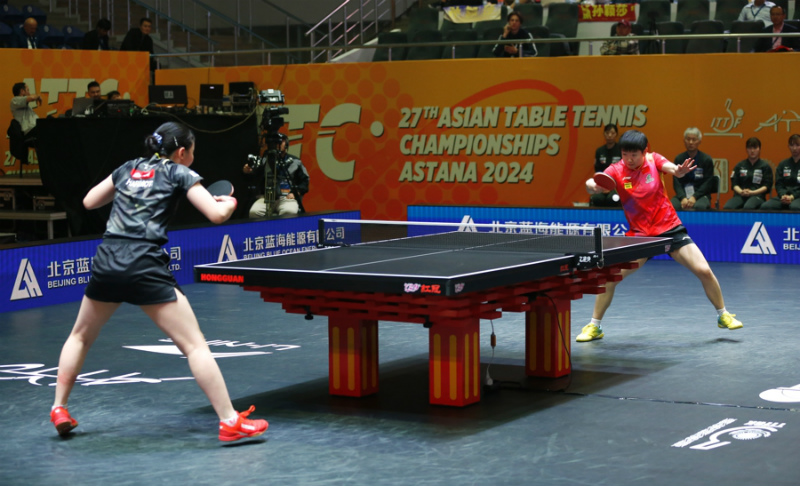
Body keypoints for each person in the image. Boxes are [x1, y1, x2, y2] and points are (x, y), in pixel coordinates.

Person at [49, 122, 269, 443]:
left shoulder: (128, 167)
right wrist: (230, 203)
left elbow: (89, 202)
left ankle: (59, 407)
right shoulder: (180, 173)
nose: (192, 157)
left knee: (80, 336)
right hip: (144, 264)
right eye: (192, 151)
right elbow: (216, 215)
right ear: (181, 152)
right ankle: (229, 420)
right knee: (194, 345)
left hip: (108, 259)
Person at [578, 129, 743, 342]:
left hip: (669, 227)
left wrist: (679, 171)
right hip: (640, 235)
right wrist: (592, 186)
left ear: (644, 151)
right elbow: (594, 184)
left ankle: (723, 315)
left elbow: (672, 169)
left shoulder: (653, 159)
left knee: (704, 270)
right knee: (609, 279)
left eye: (634, 154)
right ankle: (594, 326)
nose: (629, 159)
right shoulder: (616, 169)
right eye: (625, 154)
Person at [243, 133, 309, 218]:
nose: (277, 145)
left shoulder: (295, 162)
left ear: (286, 144)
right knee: (254, 212)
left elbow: (305, 181)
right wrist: (248, 171)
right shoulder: (264, 160)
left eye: (280, 142)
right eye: (275, 143)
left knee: (289, 212)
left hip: (286, 197)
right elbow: (255, 177)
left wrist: (296, 192)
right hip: (266, 197)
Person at [671, 127, 717, 210]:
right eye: (688, 139)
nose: (691, 142)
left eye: (694, 139)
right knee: (671, 206)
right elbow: (676, 182)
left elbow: (708, 182)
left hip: (701, 195)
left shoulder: (706, 159)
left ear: (699, 141)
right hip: (683, 195)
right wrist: (683, 197)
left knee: (699, 207)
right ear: (684, 141)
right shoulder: (679, 159)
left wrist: (694, 197)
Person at [724, 137, 773, 209]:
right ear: (746, 149)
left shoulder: (765, 166)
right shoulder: (740, 165)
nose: (752, 151)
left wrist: (752, 192)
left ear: (759, 149)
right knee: (728, 207)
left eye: (755, 148)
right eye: (750, 148)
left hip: (757, 196)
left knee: (748, 207)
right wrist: (741, 192)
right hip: (741, 195)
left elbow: (766, 186)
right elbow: (734, 184)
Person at [761, 134, 800, 210]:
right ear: (788, 146)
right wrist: (783, 195)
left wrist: (792, 197)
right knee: (765, 206)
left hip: (798, 197)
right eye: (792, 145)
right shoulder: (783, 164)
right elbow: (779, 183)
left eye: (797, 145)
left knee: (794, 207)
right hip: (783, 196)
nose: (794, 148)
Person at [590, 123, 621, 207]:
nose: (610, 135)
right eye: (607, 133)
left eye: (612, 133)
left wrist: (612, 187)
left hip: (618, 186)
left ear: (616, 134)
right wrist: (603, 186)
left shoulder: (621, 150)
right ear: (604, 134)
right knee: (596, 198)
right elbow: (598, 171)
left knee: (612, 199)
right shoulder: (599, 151)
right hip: (602, 185)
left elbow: (624, 171)